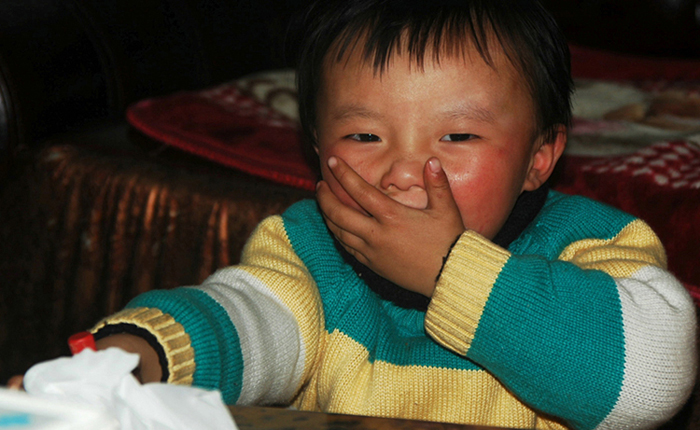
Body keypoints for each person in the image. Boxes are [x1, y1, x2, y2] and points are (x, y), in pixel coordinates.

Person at [10, 0, 697, 429]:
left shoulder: (591, 244)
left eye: (456, 138)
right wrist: (134, 359)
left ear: (540, 156)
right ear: (314, 149)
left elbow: (653, 380)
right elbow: (251, 319)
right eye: (364, 137)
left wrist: (447, 269)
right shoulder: (312, 246)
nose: (402, 170)